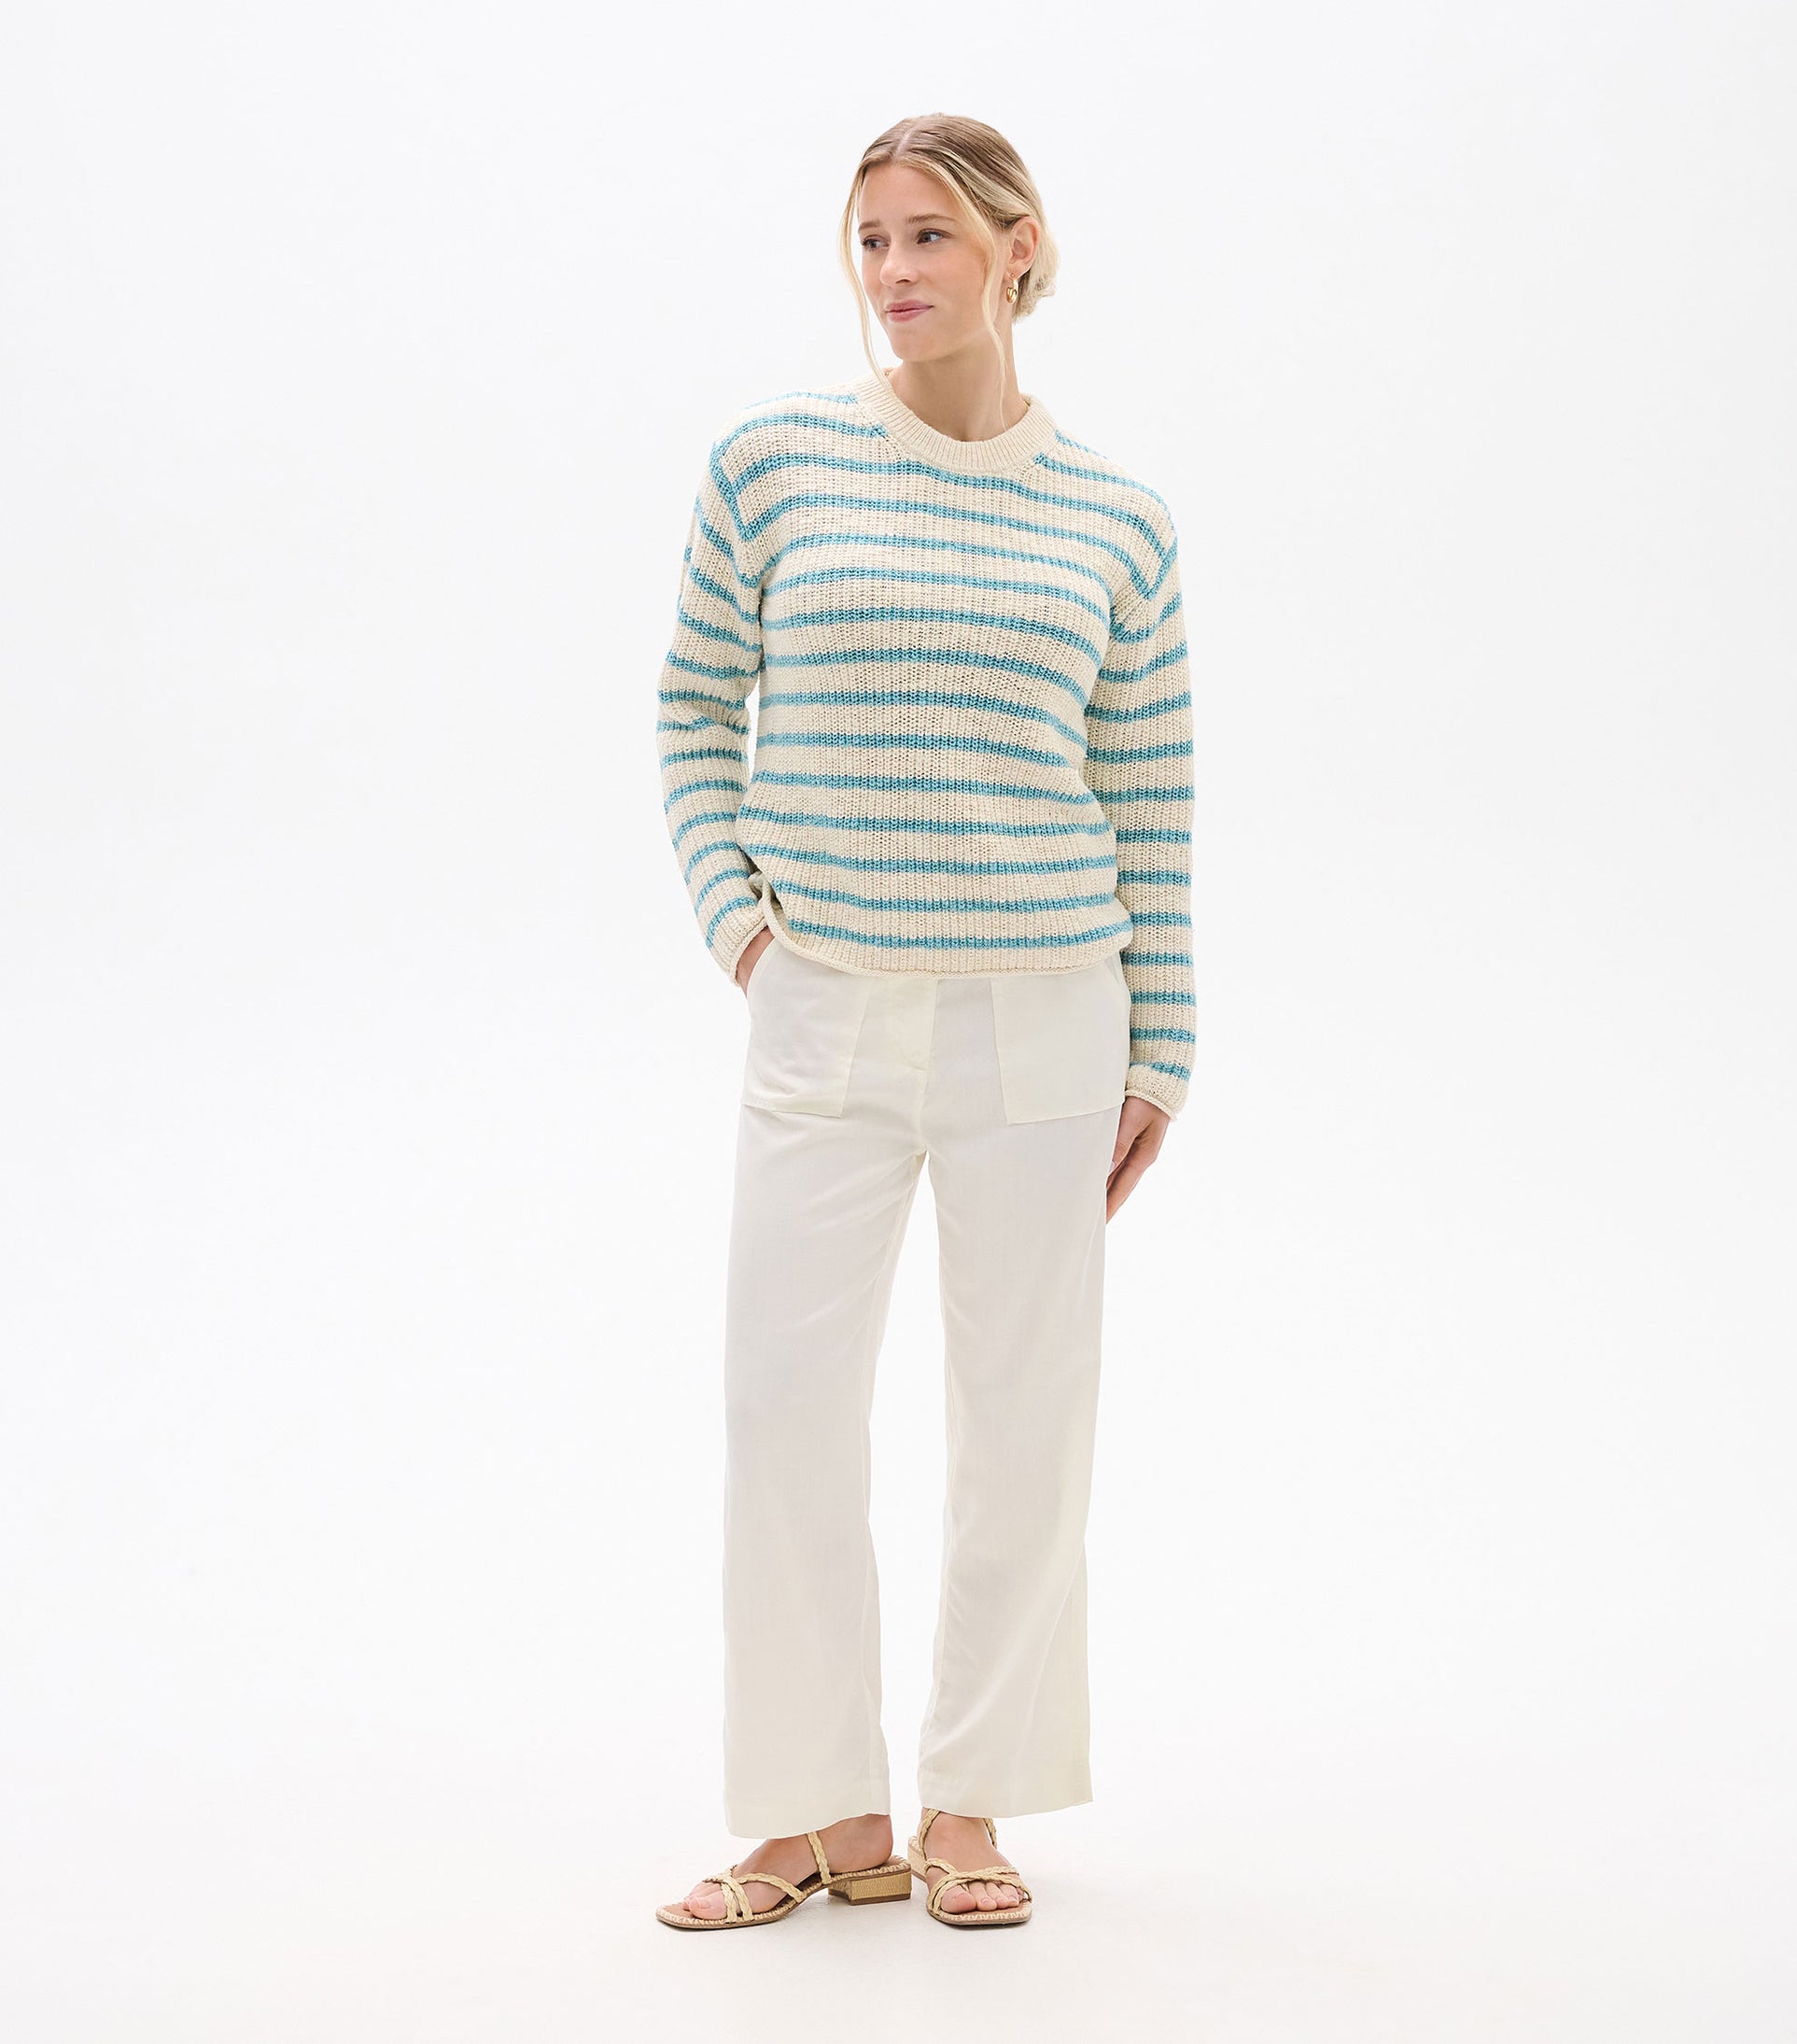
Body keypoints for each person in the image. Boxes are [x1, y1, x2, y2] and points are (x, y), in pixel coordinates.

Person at [652, 111, 1196, 1932]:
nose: (893, 271)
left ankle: (970, 1803)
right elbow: (690, 709)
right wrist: (745, 931)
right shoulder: (773, 466)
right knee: (781, 1406)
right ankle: (810, 1814)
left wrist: (1162, 1046)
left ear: (1017, 249)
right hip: (824, 1009)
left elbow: (1148, 793)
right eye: (872, 238)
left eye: (931, 237)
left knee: (1024, 1420)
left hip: (1045, 1014)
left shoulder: (1116, 518)